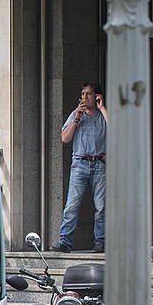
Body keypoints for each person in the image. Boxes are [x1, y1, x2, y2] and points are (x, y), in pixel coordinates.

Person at [56, 81, 107, 253]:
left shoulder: (102, 116)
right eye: (83, 94)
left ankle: (101, 241)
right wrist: (77, 118)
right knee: (72, 204)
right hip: (80, 164)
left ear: (97, 97)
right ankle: (65, 241)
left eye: (89, 94)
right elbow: (65, 138)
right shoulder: (76, 115)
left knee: (101, 206)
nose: (84, 97)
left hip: (99, 164)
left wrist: (103, 109)